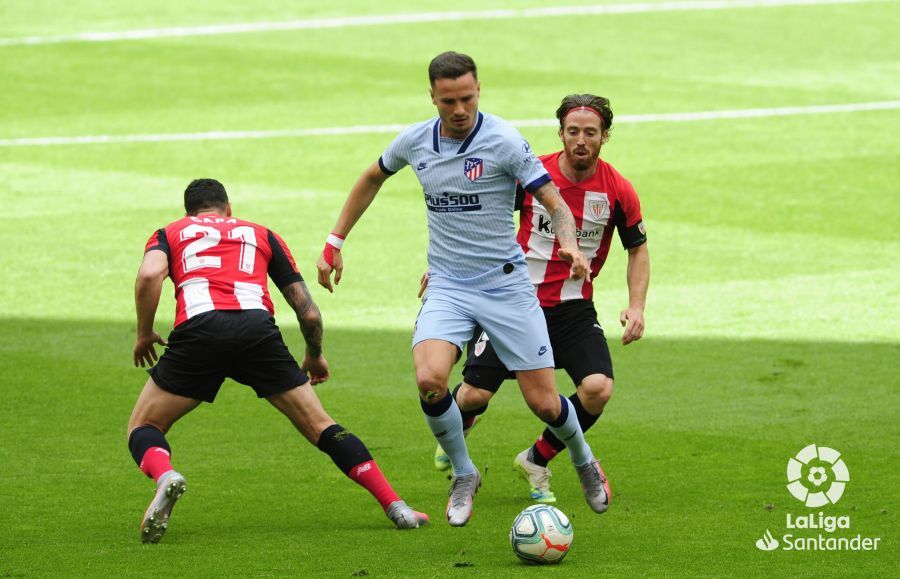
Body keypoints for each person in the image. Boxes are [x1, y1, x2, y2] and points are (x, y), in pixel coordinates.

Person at [316, 52, 609, 527]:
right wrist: (335, 240)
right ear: (432, 96)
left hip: (506, 287)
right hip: (449, 285)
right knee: (432, 381)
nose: (459, 109)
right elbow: (373, 175)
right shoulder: (415, 141)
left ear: (479, 92)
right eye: (448, 100)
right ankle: (464, 472)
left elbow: (553, 202)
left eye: (467, 98)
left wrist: (571, 247)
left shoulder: (504, 140)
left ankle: (581, 457)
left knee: (545, 403)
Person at [127, 178, 428, 544]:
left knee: (144, 426)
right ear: (229, 207)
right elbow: (309, 313)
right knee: (321, 426)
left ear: (189, 211)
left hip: (199, 331)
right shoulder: (261, 234)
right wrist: (314, 355)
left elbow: (148, 274)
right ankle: (396, 506)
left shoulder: (170, 232)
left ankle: (166, 476)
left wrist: (144, 333)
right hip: (257, 332)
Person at [431, 94, 650, 506]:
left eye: (590, 132)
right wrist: (450, 265)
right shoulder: (533, 176)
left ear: (605, 136)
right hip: (512, 301)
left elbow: (637, 247)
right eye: (573, 132)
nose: (581, 140)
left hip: (572, 310)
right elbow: (485, 219)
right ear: (561, 133)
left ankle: (536, 458)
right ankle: (458, 433)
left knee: (598, 388)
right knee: (475, 395)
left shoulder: (618, 189)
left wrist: (636, 305)